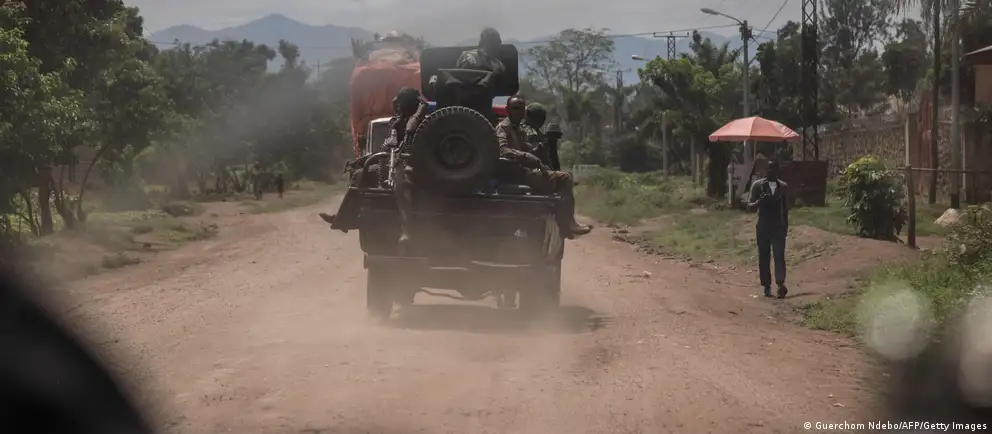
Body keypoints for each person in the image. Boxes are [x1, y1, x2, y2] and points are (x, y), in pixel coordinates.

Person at [496, 96, 591, 238]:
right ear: (507, 110)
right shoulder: (503, 128)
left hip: (525, 171)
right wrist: (526, 156)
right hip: (515, 174)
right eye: (515, 109)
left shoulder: (520, 129)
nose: (518, 112)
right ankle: (567, 225)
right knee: (565, 178)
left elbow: (528, 148)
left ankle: (553, 225)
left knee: (555, 181)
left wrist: (537, 151)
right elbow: (502, 150)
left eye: (521, 109)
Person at [383, 87, 430, 246]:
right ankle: (343, 217)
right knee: (361, 173)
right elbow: (391, 142)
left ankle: (407, 230)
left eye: (401, 101)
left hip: (421, 168)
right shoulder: (399, 120)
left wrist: (420, 110)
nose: (398, 104)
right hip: (401, 164)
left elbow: (410, 129)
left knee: (402, 183)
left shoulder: (425, 120)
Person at [746, 160, 789, 298]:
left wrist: (785, 226)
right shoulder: (757, 185)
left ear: (777, 171)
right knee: (764, 256)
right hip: (763, 225)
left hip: (778, 225)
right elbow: (749, 206)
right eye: (769, 169)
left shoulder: (783, 187)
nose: (771, 172)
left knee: (779, 255)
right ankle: (766, 286)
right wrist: (760, 202)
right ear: (765, 170)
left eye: (774, 169)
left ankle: (780, 284)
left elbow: (785, 209)